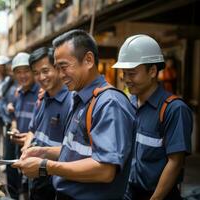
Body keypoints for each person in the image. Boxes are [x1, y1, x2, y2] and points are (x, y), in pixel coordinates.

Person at [13, 29, 136, 200]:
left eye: (64, 67)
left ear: (88, 60)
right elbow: (79, 152)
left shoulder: (109, 103)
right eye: (57, 68)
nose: (61, 75)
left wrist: (46, 166)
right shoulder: (80, 99)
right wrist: (44, 152)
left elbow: (105, 170)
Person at [112, 34, 192, 200]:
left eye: (132, 74)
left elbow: (175, 162)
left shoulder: (174, 109)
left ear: (153, 71)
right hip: (128, 192)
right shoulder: (130, 103)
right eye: (124, 73)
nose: (126, 80)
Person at [22, 47, 73, 200]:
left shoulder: (71, 102)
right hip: (37, 179)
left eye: (45, 71)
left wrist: (41, 154)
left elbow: (74, 151)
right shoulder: (43, 99)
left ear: (57, 69)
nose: (41, 77)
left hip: (57, 183)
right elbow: (33, 130)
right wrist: (27, 147)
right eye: (36, 73)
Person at [8, 52, 39, 200]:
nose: (23, 76)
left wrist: (29, 138)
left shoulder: (41, 93)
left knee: (33, 188)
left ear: (33, 71)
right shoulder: (18, 93)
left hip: (36, 151)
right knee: (23, 185)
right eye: (18, 72)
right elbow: (14, 117)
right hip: (19, 149)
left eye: (26, 71)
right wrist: (14, 128)